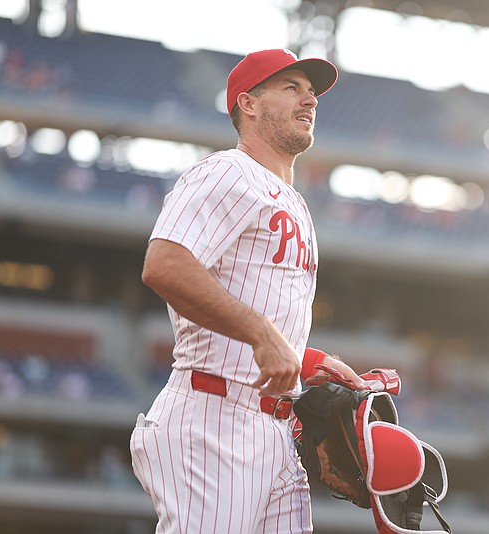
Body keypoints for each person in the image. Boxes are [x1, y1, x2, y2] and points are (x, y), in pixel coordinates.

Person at [130, 49, 366, 534]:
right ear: (249, 104)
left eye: (312, 91)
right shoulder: (227, 171)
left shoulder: (295, 202)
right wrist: (262, 334)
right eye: (291, 87)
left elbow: (254, 300)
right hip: (214, 418)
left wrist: (306, 361)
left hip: (274, 428)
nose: (309, 98)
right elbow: (165, 265)